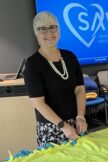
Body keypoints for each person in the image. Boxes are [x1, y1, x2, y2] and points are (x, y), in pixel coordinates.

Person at [23, 11, 87, 146]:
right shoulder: (32, 64)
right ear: (36, 33)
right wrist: (63, 125)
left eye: (53, 27)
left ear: (58, 30)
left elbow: (80, 89)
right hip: (51, 127)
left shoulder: (70, 57)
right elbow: (38, 103)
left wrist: (80, 116)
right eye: (42, 29)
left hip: (76, 123)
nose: (49, 33)